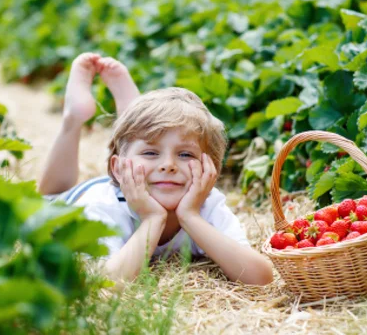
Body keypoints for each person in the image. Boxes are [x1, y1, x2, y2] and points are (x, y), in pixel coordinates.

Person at [38, 53, 274, 287]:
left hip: (138, 175)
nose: (169, 165)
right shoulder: (103, 207)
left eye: (185, 154)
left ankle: (134, 118)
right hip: (75, 201)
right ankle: (73, 118)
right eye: (151, 153)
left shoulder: (206, 203)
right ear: (117, 169)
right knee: (46, 200)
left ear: (209, 168)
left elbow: (260, 277)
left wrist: (190, 216)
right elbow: (107, 284)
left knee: (143, 138)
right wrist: (152, 218)